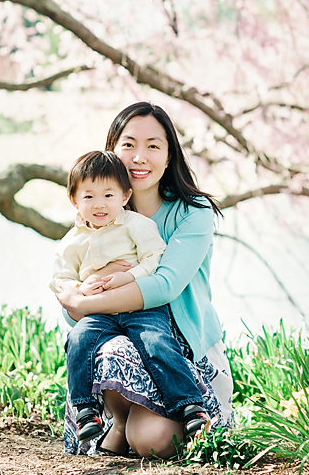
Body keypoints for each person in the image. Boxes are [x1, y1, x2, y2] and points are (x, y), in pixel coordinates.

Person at [55, 102, 235, 458]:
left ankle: (173, 415)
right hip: (120, 342)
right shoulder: (98, 211)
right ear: (111, 151)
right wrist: (78, 297)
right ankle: (114, 421)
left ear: (169, 157)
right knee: (101, 342)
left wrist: (85, 300)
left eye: (153, 146)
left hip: (180, 346)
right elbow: (73, 308)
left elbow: (164, 286)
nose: (139, 157)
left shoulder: (192, 213)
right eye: (128, 144)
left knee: (150, 438)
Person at [50, 150, 210, 444]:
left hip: (141, 309)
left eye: (108, 195)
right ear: (74, 200)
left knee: (156, 341)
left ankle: (189, 405)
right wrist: (81, 290)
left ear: (125, 196)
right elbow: (61, 280)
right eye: (89, 197)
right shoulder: (72, 241)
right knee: (78, 339)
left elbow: (154, 258)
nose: (100, 204)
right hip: (99, 313)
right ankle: (87, 410)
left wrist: (128, 276)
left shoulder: (135, 224)